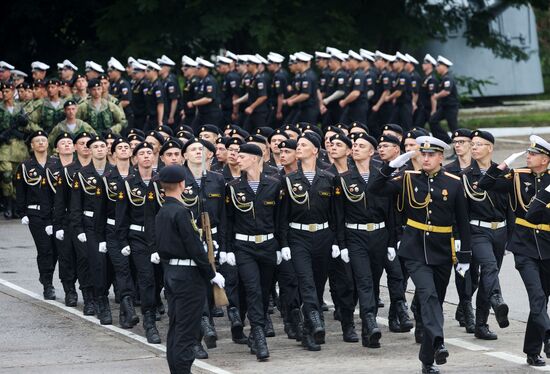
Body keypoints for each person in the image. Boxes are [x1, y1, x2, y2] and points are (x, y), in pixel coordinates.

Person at [369, 135, 471, 373]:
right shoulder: (407, 178)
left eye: (431, 155)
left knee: (434, 299)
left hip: (443, 250)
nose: (426, 158)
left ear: (441, 157)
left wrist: (465, 255)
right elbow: (374, 189)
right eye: (422, 154)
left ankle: (427, 359)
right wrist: (389, 167)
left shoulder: (454, 183)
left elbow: (463, 222)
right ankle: (438, 341)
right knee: (428, 295)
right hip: (414, 249)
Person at [478, 135, 550, 367]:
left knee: (541, 301)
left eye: (534, 154)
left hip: (548, 246)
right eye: (529, 152)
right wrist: (502, 166)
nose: (528, 156)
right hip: (524, 245)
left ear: (546, 160)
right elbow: (485, 185)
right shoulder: (518, 177)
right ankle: (548, 337)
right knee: (536, 296)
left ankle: (532, 350)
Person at [154, 164, 224, 374]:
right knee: (187, 330)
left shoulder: (163, 211)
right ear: (183, 184)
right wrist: (212, 274)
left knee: (176, 328)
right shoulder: (181, 212)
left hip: (173, 274)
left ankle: (177, 370)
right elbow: (194, 248)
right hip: (188, 278)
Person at [279, 132, 335, 351]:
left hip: (323, 236)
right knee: (306, 282)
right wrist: (283, 243)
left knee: (319, 284)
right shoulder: (289, 180)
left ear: (315, 150)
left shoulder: (328, 179)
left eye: (304, 145)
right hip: (298, 237)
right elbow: (282, 215)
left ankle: (306, 330)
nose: (298, 148)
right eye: (298, 145)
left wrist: (337, 241)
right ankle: (315, 323)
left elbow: (335, 213)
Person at [225, 143, 282, 360]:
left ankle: (254, 331)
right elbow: (228, 221)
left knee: (265, 290)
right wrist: (227, 249)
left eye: (243, 156)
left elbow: (280, 219)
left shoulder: (274, 185)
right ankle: (258, 334)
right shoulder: (233, 186)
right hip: (243, 246)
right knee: (252, 289)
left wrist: (281, 245)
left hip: (268, 246)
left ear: (257, 159)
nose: (237, 159)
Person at [333, 132, 384, 348]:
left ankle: (367, 331)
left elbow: (390, 212)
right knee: (362, 280)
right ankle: (370, 321)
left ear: (372, 152)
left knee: (373, 280)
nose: (355, 149)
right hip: (355, 235)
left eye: (361, 146)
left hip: (380, 235)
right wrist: (341, 244)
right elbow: (338, 215)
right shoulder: (343, 179)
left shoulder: (381, 176)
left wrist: (392, 241)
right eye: (354, 146)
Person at [461, 130, 510, 340]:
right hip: (477, 230)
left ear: (490, 148)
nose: (474, 148)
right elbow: (461, 211)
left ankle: (481, 323)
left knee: (490, 276)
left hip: (500, 229)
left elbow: (511, 207)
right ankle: (496, 301)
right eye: (472, 144)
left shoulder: (505, 172)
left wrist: (512, 236)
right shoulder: (465, 175)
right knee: (489, 267)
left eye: (479, 144)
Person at [116, 141, 162, 343]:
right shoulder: (128, 183)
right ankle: (149, 322)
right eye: (141, 153)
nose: (145, 156)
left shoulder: (162, 181)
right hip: (138, 238)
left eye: (149, 152)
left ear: (154, 157)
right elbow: (121, 215)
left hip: (162, 238)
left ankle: (155, 306)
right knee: (146, 279)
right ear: (135, 159)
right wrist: (122, 240)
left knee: (160, 280)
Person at [70, 135, 113, 325]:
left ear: (107, 149)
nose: (99, 149)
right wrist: (78, 227)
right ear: (90, 150)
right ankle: (94, 299)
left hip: (110, 225)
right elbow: (75, 204)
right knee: (93, 263)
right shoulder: (82, 174)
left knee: (110, 264)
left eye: (102, 146)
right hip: (89, 224)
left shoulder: (114, 172)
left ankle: (105, 296)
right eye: (95, 146)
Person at [14, 130, 58, 299]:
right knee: (45, 248)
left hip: (55, 213)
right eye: (37, 141)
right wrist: (22, 212)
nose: (40, 143)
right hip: (36, 213)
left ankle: (45, 274)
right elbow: (20, 190)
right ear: (32, 146)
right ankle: (48, 284)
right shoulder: (25, 166)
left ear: (48, 144)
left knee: (55, 249)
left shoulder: (56, 163)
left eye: (43, 140)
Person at [41, 133, 78, 306]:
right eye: (63, 143)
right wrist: (49, 221)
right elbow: (47, 198)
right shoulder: (51, 170)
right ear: (57, 148)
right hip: (59, 217)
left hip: (77, 216)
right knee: (61, 255)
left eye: (70, 143)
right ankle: (67, 288)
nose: (67, 146)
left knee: (81, 256)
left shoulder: (80, 167)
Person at [428, 56, 458, 144]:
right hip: (444, 107)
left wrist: (436, 96)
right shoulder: (443, 78)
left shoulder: (447, 78)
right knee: (433, 121)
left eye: (438, 66)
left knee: (454, 129)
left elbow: (446, 92)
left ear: (444, 66)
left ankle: (459, 149)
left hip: (451, 107)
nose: (436, 68)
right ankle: (445, 140)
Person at [189, 58, 222, 130]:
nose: (196, 70)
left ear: (205, 69)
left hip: (210, 114)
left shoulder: (209, 81)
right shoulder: (201, 81)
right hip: (202, 113)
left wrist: (193, 103)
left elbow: (209, 98)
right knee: (194, 130)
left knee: (210, 132)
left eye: (199, 68)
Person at [339, 51, 368, 127]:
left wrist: (344, 101)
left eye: (349, 61)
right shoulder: (353, 74)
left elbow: (356, 93)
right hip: (352, 107)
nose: (347, 63)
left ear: (355, 61)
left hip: (358, 108)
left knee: (357, 129)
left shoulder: (359, 74)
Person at [107, 57, 133, 132]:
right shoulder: (112, 84)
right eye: (108, 71)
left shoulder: (123, 84)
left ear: (118, 71)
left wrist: (113, 109)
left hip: (125, 115)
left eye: (111, 71)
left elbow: (126, 101)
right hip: (117, 116)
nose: (109, 73)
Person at [414, 54, 438, 129]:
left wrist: (434, 110)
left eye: (425, 63)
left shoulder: (432, 79)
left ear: (430, 65)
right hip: (423, 108)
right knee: (418, 127)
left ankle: (445, 139)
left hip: (428, 108)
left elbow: (433, 96)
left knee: (435, 129)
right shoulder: (425, 78)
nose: (422, 65)